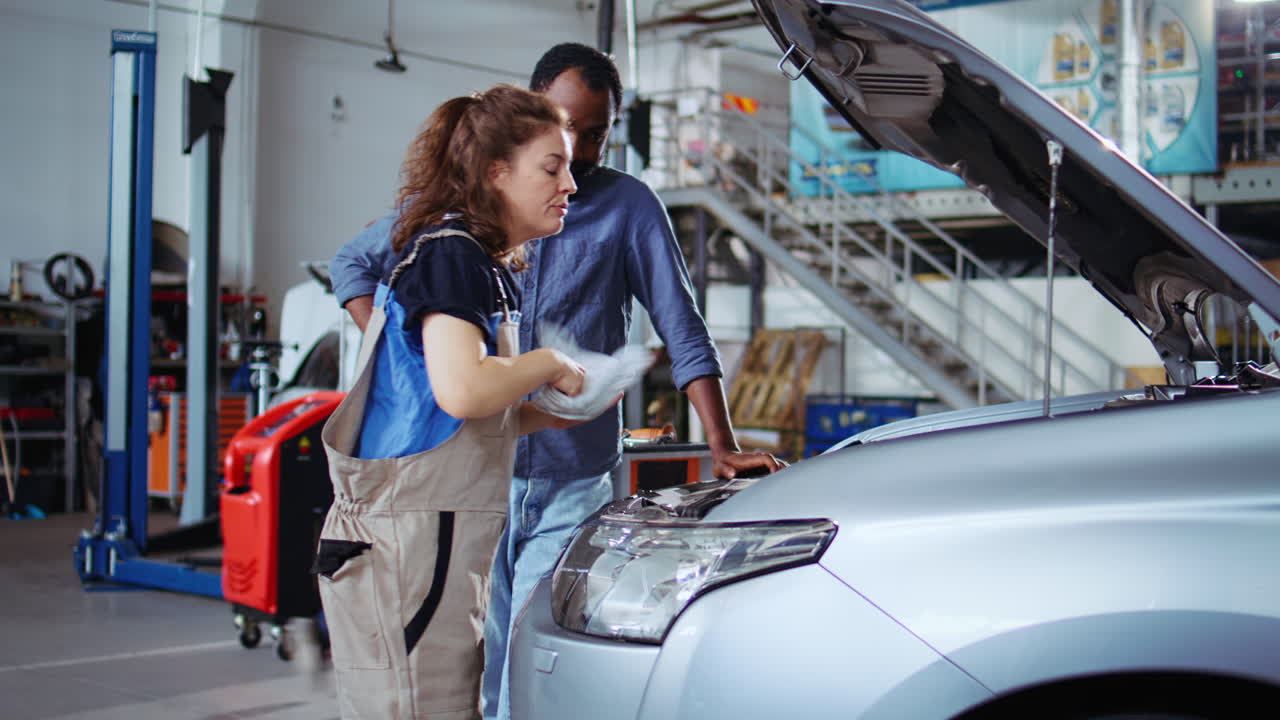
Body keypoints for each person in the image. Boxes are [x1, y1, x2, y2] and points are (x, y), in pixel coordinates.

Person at [329, 43, 786, 720]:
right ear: (505, 161)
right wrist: (464, 365)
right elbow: (458, 384)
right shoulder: (454, 249)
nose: (577, 165)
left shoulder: (612, 213)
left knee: (525, 664)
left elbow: (680, 326)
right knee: (456, 672)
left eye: (593, 137)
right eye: (559, 151)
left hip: (561, 479)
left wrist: (715, 440)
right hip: (465, 485)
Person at [314, 84, 594, 720]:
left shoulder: (472, 258)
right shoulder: (451, 252)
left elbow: (451, 411)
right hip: (410, 543)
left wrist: (556, 408)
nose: (569, 185)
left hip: (428, 537)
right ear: (496, 172)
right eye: (552, 167)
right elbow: (463, 391)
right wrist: (548, 362)